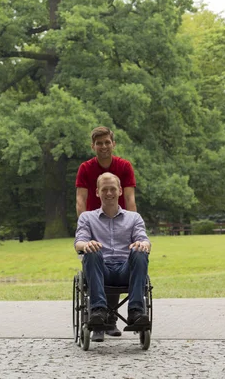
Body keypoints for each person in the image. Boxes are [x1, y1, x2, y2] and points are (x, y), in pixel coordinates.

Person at [75, 126, 137, 341]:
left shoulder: (124, 167)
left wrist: (132, 230)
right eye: (99, 143)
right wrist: (85, 230)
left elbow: (129, 200)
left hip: (119, 221)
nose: (103, 146)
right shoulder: (85, 169)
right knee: (97, 260)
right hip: (95, 222)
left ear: (113, 144)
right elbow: (81, 200)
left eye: (106, 142)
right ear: (93, 146)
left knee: (119, 257)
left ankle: (109, 320)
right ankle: (99, 319)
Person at [74, 172, 151, 333]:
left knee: (140, 252)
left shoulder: (134, 218)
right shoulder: (87, 218)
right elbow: (78, 243)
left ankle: (136, 311)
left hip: (126, 270)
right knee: (91, 251)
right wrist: (87, 244)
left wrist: (142, 244)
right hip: (100, 269)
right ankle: (98, 310)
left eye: (112, 189)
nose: (109, 193)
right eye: (104, 190)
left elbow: (145, 241)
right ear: (97, 192)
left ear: (120, 191)